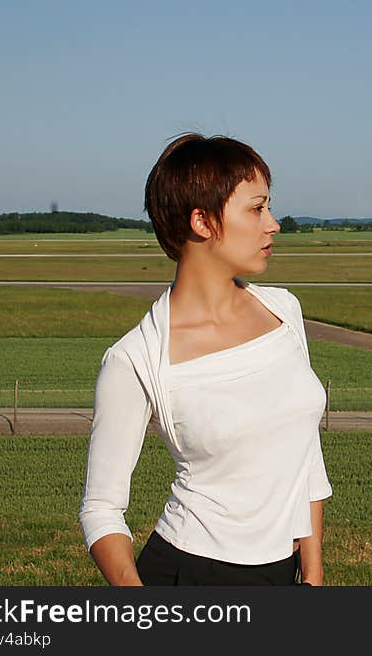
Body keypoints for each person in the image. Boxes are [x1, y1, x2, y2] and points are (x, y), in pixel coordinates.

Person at [78, 133, 332, 586]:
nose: (273, 224)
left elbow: (304, 449)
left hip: (284, 571)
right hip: (190, 574)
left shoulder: (284, 312)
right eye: (256, 209)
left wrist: (312, 574)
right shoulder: (135, 358)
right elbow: (101, 509)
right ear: (202, 221)